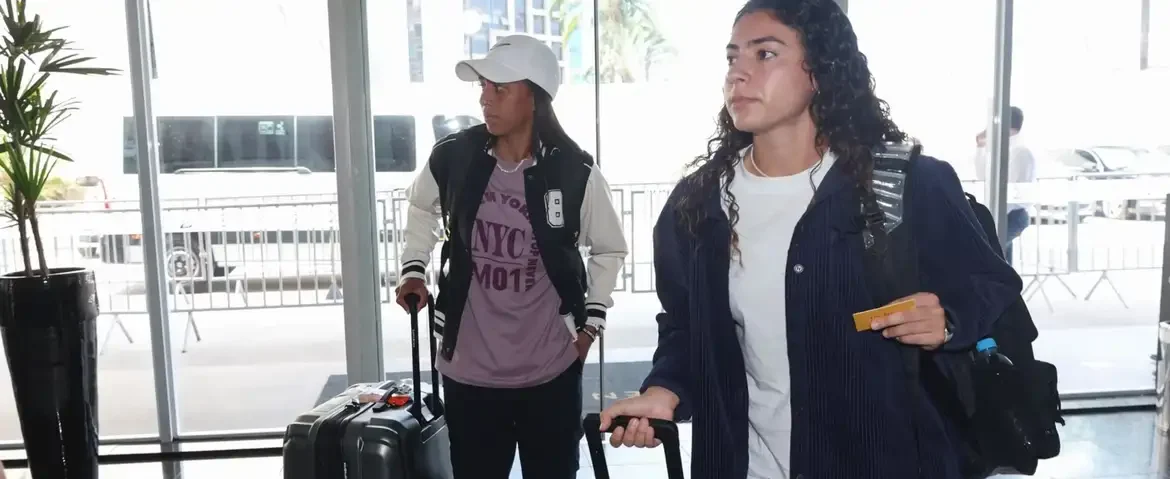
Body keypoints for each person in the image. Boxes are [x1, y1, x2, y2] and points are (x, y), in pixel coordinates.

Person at [596, 1, 1023, 478]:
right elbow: (686, 329)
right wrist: (664, 391)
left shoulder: (903, 184)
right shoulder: (697, 205)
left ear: (819, 70)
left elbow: (990, 285)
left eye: (765, 54)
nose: (738, 74)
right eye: (733, 57)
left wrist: (947, 321)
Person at [394, 34, 627, 479]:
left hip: (551, 372)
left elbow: (609, 247)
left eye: (499, 88)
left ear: (534, 98)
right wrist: (413, 268)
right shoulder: (455, 156)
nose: (485, 98)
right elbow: (421, 205)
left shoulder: (574, 171)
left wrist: (589, 328)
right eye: (483, 86)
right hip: (469, 372)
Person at [973, 106, 1036, 265]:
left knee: (990, 253)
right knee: (1001, 260)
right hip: (1004, 214)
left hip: (1013, 215)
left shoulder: (1020, 152)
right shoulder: (1005, 150)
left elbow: (1013, 191)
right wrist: (980, 147)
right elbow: (982, 175)